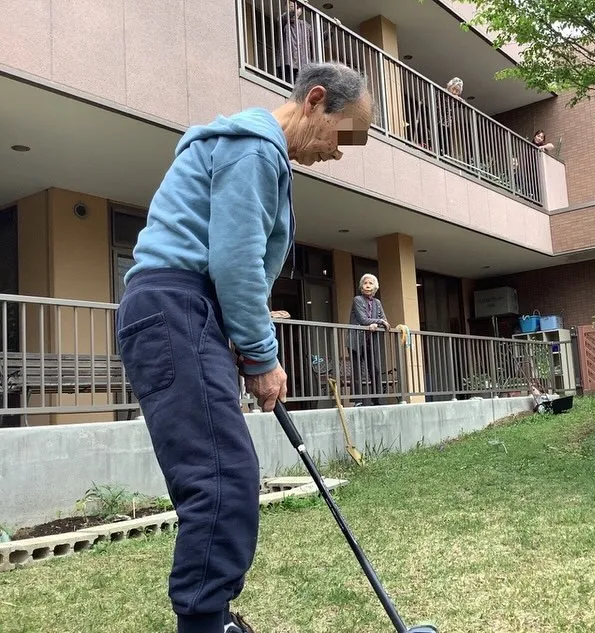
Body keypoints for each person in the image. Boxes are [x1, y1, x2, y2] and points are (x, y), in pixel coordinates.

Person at [116, 62, 373, 633]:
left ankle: (211, 619)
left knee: (222, 472)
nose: (339, 152)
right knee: (221, 476)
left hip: (182, 308)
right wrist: (261, 354)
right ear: (314, 102)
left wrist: (233, 331)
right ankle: (205, 625)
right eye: (344, 135)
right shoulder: (255, 150)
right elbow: (235, 262)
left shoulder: (251, 150)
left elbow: (228, 263)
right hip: (176, 306)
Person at [348, 273, 390, 406]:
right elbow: (363, 319)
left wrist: (377, 324)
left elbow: (385, 320)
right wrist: (379, 321)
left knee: (376, 368)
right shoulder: (357, 300)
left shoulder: (377, 302)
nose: (367, 285)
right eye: (365, 283)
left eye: (370, 283)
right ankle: (358, 400)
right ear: (361, 287)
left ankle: (377, 399)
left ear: (375, 287)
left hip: (371, 339)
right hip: (356, 339)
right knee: (357, 371)